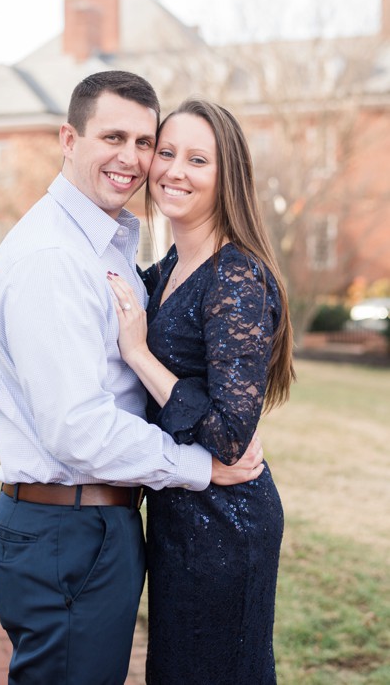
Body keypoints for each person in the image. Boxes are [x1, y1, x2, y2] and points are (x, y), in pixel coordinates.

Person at [0, 71, 265, 684]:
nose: (135, 160)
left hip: (104, 524)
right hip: (70, 526)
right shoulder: (54, 258)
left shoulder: (115, 249)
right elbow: (78, 431)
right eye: (116, 137)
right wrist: (199, 467)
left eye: (146, 142)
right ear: (68, 138)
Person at [106, 98, 294, 684]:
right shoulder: (168, 269)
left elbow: (230, 435)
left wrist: (139, 354)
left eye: (197, 159)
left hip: (226, 522)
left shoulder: (233, 274)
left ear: (226, 176)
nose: (173, 170)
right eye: (166, 153)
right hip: (177, 511)